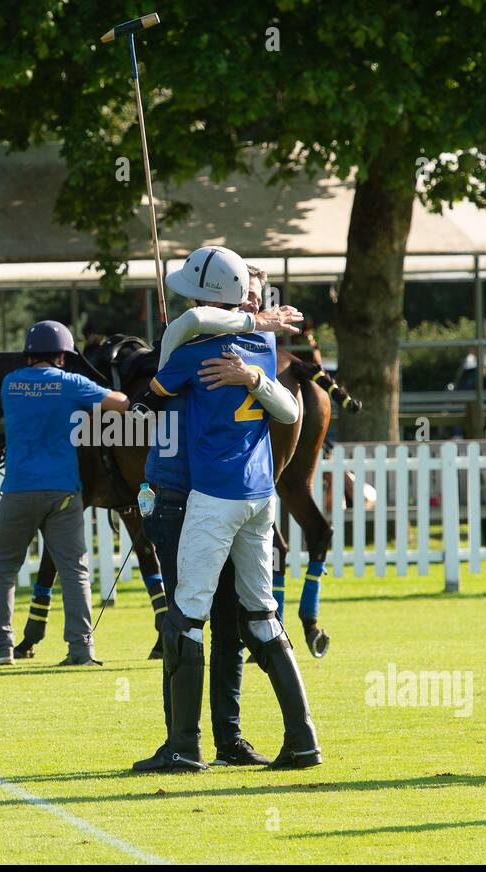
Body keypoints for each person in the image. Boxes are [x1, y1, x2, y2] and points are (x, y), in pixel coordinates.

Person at [135, 245, 321, 772]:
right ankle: (302, 740)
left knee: (185, 618)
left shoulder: (195, 350)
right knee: (260, 616)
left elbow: (164, 373)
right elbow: (287, 411)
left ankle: (184, 747)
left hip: (213, 496)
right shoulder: (261, 346)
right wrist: (256, 361)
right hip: (260, 497)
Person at [0, 320, 130, 666]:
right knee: (75, 571)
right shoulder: (71, 383)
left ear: (29, 355)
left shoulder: (10, 384)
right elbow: (121, 403)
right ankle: (80, 649)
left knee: (2, 567)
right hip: (64, 491)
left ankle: (0, 645)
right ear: (62, 356)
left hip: (20, 490)